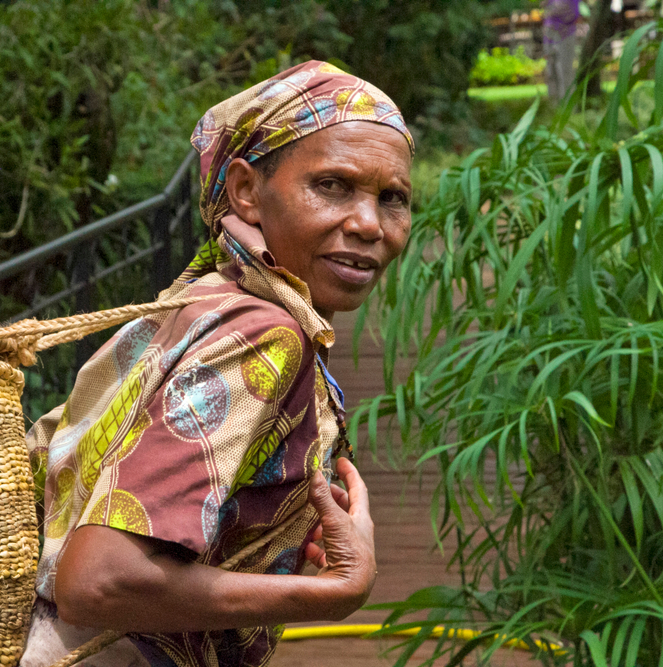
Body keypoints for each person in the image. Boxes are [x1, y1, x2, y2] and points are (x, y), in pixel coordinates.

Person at [20, 60, 415, 667]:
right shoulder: (264, 336)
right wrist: (334, 594)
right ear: (246, 192)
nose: (368, 224)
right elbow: (99, 581)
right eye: (332, 185)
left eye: (393, 199)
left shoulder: (209, 298)